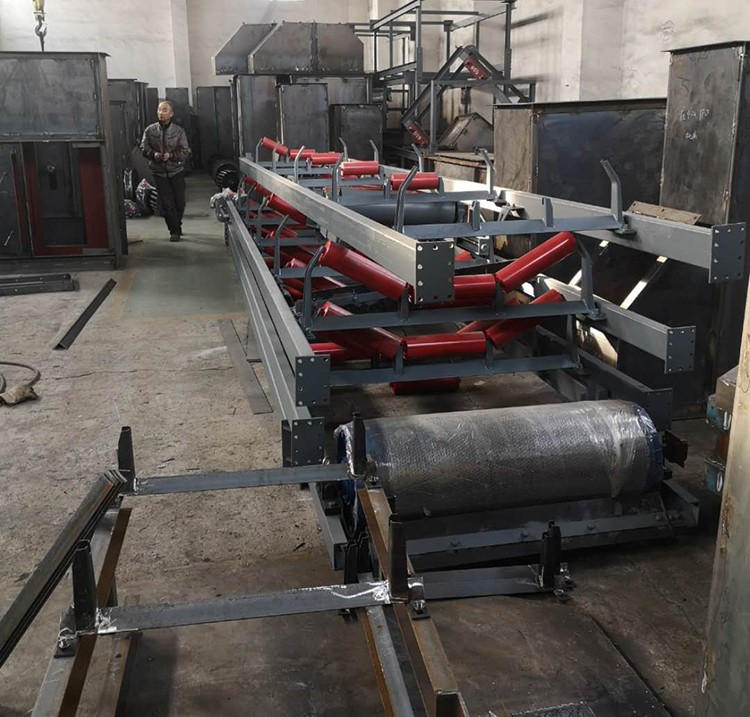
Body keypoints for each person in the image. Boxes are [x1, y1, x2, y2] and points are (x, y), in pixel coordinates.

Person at [140, 101, 191, 242]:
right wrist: (154, 154)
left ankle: (177, 224)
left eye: (164, 110)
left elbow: (185, 151)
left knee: (179, 203)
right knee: (168, 203)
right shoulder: (150, 131)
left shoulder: (178, 132)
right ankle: (174, 231)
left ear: (171, 114)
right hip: (159, 173)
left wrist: (171, 155)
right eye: (159, 110)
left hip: (176, 171)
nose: (160, 113)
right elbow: (143, 148)